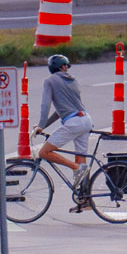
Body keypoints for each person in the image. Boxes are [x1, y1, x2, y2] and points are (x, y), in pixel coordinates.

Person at [33, 53, 94, 211]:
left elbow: (45, 106)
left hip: (74, 122)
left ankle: (75, 168)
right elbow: (60, 111)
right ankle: (86, 201)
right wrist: (43, 126)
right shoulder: (73, 81)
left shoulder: (49, 81)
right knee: (81, 159)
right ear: (62, 67)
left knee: (44, 152)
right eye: (66, 66)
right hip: (85, 119)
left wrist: (40, 124)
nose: (67, 69)